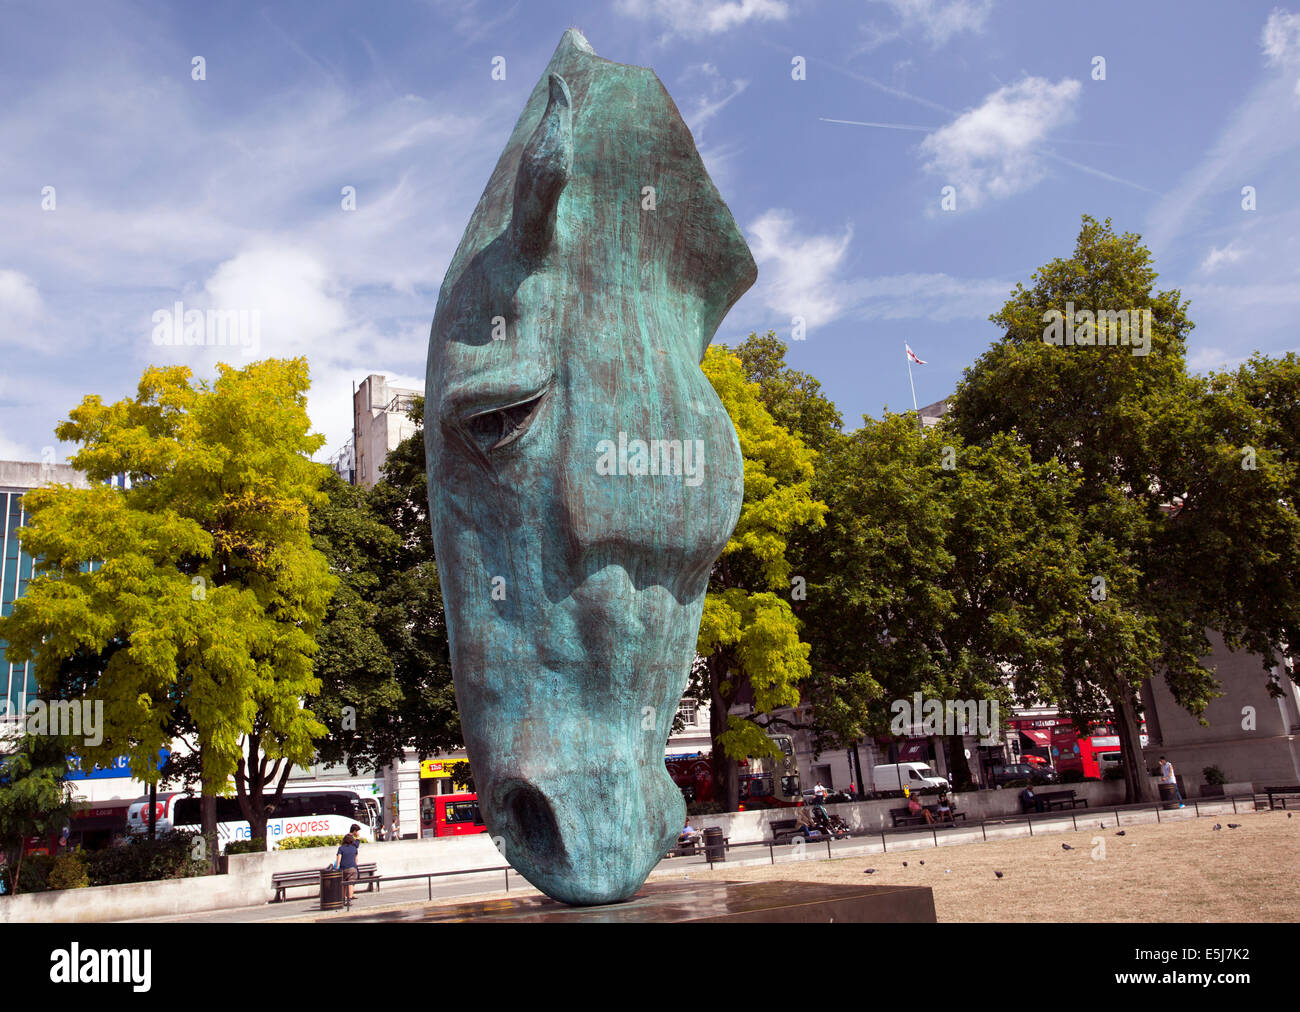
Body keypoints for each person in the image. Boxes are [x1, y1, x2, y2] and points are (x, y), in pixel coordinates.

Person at [334, 833, 360, 905]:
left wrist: (337, 869)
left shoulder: (341, 848)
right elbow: (356, 859)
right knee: (350, 883)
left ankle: (343, 899)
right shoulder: (354, 848)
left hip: (344, 868)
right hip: (353, 868)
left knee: (344, 884)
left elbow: (338, 860)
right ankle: (349, 899)